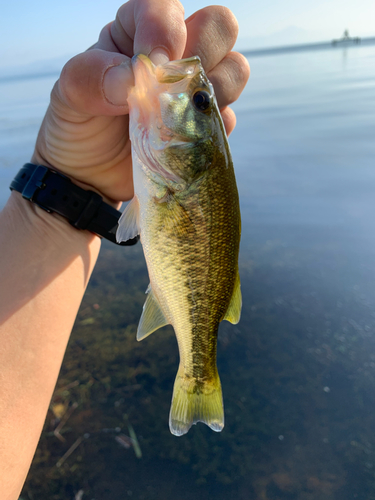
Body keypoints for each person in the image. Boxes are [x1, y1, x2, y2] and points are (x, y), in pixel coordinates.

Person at [0, 0, 250, 497]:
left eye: (198, 104)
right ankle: (198, 374)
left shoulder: (165, 166)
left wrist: (71, 181)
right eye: (204, 103)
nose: (191, 91)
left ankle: (197, 375)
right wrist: (74, 181)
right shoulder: (167, 161)